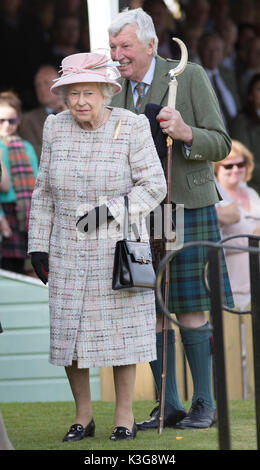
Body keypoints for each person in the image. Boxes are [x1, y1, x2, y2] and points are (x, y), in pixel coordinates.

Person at [27, 51, 167, 442]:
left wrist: (107, 213)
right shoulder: (55, 128)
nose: (80, 102)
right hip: (66, 248)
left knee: (120, 337)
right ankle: (83, 417)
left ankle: (124, 417)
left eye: (88, 92)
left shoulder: (132, 126)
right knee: (69, 333)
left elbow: (154, 187)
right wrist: (38, 245)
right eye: (72, 94)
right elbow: (43, 194)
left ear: (107, 91)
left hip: (118, 248)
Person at [108, 7, 234, 430]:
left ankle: (204, 404)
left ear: (149, 45)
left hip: (188, 205)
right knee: (153, 309)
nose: (118, 55)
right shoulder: (115, 91)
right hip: (142, 214)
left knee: (192, 308)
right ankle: (168, 405)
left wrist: (185, 132)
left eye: (125, 46)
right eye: (113, 47)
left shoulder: (189, 75)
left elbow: (221, 143)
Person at [214, 140, 260, 310]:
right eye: (228, 166)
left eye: (240, 164)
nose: (235, 169)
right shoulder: (216, 198)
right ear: (217, 168)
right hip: (234, 287)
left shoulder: (251, 193)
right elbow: (217, 241)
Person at [0, 91, 38, 274]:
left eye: (11, 121)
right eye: (1, 121)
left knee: (18, 266)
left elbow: (37, 184)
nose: (6, 125)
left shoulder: (27, 147)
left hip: (23, 212)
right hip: (3, 210)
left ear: (19, 120)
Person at [19, 65, 67, 161]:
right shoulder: (28, 119)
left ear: (61, 83)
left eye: (46, 83)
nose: (41, 88)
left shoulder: (78, 112)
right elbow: (33, 153)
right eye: (38, 85)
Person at [198, 31, 240, 132]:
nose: (213, 54)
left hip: (237, 131)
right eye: (209, 50)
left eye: (217, 50)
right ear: (199, 51)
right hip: (212, 133)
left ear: (222, 53)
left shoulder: (227, 74)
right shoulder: (196, 75)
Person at [230, 73, 260, 195]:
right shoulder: (241, 122)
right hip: (253, 188)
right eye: (259, 89)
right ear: (250, 95)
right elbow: (245, 160)